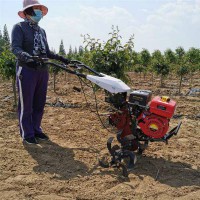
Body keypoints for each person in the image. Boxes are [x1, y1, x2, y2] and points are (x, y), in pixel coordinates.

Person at [11, 0, 70, 144]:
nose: (38, 12)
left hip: (42, 70)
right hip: (27, 69)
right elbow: (16, 48)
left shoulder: (41, 31)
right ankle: (27, 133)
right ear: (27, 12)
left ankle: (37, 129)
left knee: (39, 103)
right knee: (27, 103)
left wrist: (62, 58)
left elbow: (47, 52)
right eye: (35, 9)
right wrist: (27, 57)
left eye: (39, 9)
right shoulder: (19, 28)